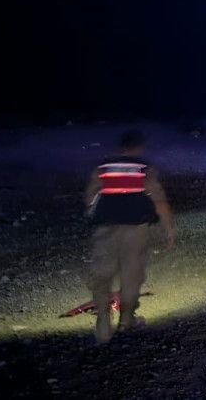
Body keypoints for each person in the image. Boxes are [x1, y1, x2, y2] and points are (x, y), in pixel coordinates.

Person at [83, 129, 175, 344]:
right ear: (139, 148)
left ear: (121, 147)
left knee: (102, 273)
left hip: (105, 228)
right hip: (135, 230)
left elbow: (90, 198)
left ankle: (103, 323)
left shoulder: (103, 167)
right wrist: (168, 227)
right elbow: (158, 200)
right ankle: (126, 321)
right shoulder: (144, 168)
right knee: (131, 275)